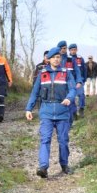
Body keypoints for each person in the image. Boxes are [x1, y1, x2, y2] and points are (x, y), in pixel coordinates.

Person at [25, 46, 77, 178]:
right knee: (45, 139)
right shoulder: (42, 74)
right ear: (49, 59)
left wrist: (69, 98)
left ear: (60, 58)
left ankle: (64, 165)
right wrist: (28, 109)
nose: (56, 59)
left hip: (62, 112)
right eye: (54, 57)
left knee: (63, 140)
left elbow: (72, 89)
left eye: (58, 57)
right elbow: (35, 93)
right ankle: (43, 167)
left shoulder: (66, 73)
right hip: (46, 112)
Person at [68, 43, 87, 117]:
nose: (73, 51)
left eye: (74, 49)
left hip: (80, 80)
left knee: (81, 95)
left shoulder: (80, 58)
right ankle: (74, 112)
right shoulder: (67, 59)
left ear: (77, 50)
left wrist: (84, 79)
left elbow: (84, 69)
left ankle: (81, 109)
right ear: (69, 50)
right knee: (72, 96)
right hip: (70, 81)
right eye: (72, 50)